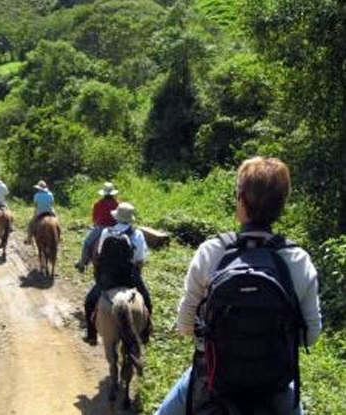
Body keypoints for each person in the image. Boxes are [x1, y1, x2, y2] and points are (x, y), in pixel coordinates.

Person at [154, 157, 322, 415]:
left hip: (210, 381)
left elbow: (185, 326)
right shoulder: (298, 260)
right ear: (282, 205)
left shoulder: (211, 251)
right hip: (274, 388)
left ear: (241, 199)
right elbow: (311, 335)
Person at [83, 202, 153, 345]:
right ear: (130, 218)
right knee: (147, 301)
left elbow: (100, 254)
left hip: (108, 277)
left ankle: (91, 336)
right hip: (130, 276)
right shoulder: (137, 233)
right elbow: (139, 259)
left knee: (89, 302)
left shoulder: (106, 232)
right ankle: (145, 334)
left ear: (117, 217)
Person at [74, 182, 119, 272]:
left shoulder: (98, 204)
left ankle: (82, 263)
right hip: (115, 228)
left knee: (87, 243)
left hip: (101, 228)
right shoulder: (117, 204)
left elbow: (95, 219)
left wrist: (97, 223)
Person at [24, 180, 55, 245]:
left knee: (31, 224)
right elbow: (52, 203)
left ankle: (29, 238)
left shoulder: (37, 195)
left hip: (40, 212)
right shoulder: (50, 194)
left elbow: (35, 204)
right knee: (57, 221)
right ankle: (60, 236)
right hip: (49, 212)